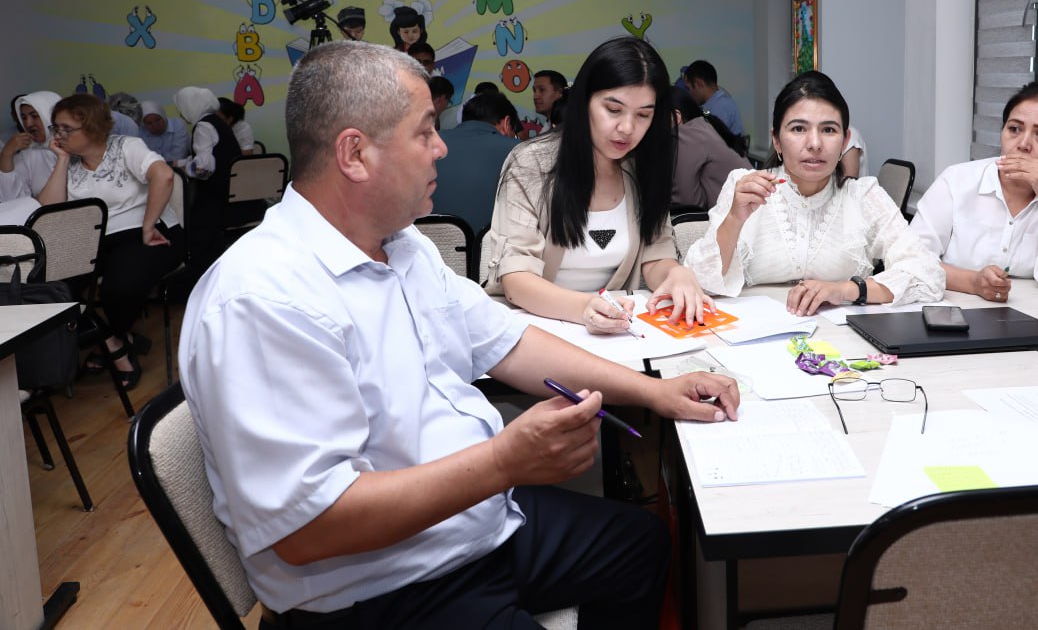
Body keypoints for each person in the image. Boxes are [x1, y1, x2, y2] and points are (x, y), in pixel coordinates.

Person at [178, 40, 738, 628]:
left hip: (473, 523)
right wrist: (504, 462)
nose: (442, 147)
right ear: (355, 154)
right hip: (383, 585)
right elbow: (307, 529)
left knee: (640, 544)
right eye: (425, 132)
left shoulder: (402, 246)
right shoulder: (263, 299)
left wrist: (655, 392)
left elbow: (510, 343)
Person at [485, 36, 711, 332]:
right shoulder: (531, 164)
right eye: (613, 110)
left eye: (644, 115)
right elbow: (516, 280)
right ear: (584, 102)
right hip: (537, 327)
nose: (627, 128)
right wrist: (585, 308)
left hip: (613, 331)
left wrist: (675, 274)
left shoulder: (643, 164)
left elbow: (656, 254)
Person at [684, 71, 944, 315]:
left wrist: (847, 290)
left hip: (842, 338)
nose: (815, 144)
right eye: (798, 129)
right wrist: (733, 219)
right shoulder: (744, 186)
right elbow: (698, 281)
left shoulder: (863, 196)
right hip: (753, 333)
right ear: (776, 140)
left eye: (828, 130)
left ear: (845, 142)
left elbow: (928, 272)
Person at [37, 94, 184, 388]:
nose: (59, 135)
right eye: (56, 128)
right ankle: (114, 341)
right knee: (50, 285)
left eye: (66, 128)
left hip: (148, 232)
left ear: (92, 127)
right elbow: (48, 210)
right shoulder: (70, 162)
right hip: (96, 240)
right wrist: (62, 160)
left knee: (120, 286)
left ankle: (113, 341)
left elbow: (164, 176)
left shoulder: (126, 146)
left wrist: (148, 225)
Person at [910, 81, 1038, 301]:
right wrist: (972, 282)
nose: (1023, 144)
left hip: (1037, 314)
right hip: (951, 307)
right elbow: (910, 259)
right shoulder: (957, 180)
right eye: (1014, 129)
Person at [433, 92, 520, 234]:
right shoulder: (519, 150)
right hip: (489, 245)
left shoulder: (430, 142)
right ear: (507, 123)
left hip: (425, 241)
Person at [174, 87, 241, 271]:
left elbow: (203, 169)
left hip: (213, 199)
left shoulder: (203, 127)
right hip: (229, 192)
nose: (181, 113)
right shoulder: (217, 122)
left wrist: (184, 169)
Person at [670, 87, 750, 210]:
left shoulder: (687, 134)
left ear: (676, 117)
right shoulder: (702, 126)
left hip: (745, 215)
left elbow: (687, 205)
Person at [0, 91, 60, 201]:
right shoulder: (29, 153)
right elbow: (12, 199)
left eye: (34, 116)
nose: (28, 123)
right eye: (23, 118)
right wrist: (6, 154)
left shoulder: (77, 146)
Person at [683, 59, 744, 138]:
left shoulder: (720, 106)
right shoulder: (710, 104)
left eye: (688, 88)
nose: (688, 93)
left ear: (699, 84)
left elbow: (712, 140)